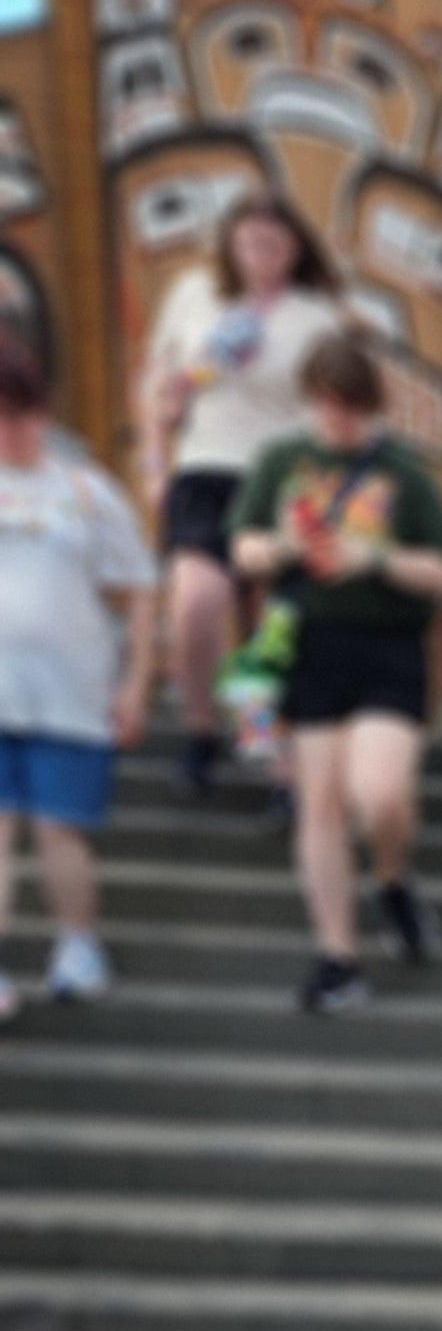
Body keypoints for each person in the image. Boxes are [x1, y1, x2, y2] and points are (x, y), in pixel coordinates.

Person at [228, 335, 442, 1015]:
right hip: (307, 643)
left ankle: (393, 879)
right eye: (328, 406)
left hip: (389, 644)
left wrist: (376, 559)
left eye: (351, 407)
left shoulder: (402, 471)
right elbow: (243, 547)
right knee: (322, 805)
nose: (337, 421)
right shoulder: (282, 460)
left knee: (381, 793)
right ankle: (337, 956)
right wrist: (286, 547)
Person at [140, 193, 344, 794]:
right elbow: (157, 386)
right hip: (205, 467)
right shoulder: (195, 294)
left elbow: (330, 408)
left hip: (280, 476)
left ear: (296, 248)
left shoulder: (315, 316)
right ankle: (202, 727)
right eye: (251, 238)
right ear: (231, 241)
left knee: (270, 627)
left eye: (276, 241)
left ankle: (261, 743)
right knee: (196, 604)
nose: (262, 251)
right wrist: (156, 465)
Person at [0, 333, 158, 1017]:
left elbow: (142, 586)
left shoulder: (88, 492)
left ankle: (78, 944)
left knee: (61, 828)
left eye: (21, 412)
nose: (11, 429)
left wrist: (137, 683)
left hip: (71, 692)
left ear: (43, 413)